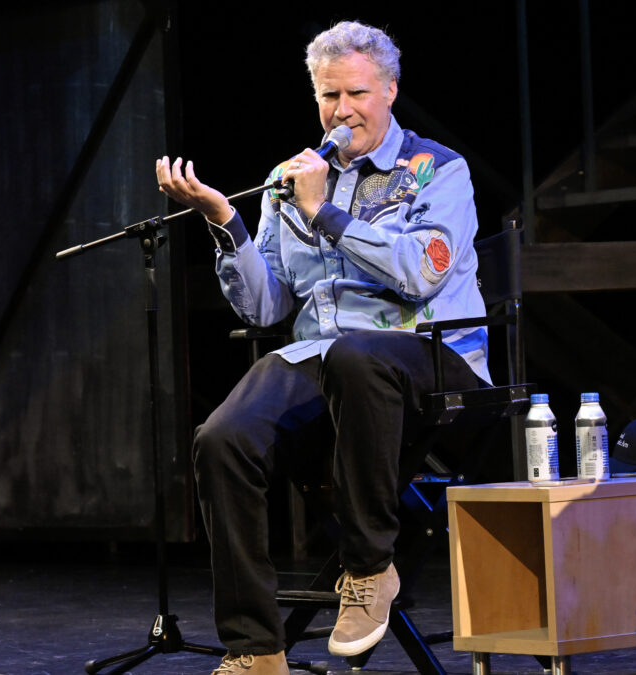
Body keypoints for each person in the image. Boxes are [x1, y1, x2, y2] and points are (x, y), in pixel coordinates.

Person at [155, 21, 488, 675]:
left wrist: (327, 216)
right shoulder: (289, 178)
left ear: (390, 90)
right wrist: (227, 226)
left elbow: (421, 272)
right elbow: (266, 307)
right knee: (222, 439)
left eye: (357, 93)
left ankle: (370, 568)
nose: (342, 111)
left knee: (357, 354)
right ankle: (256, 648)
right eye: (329, 96)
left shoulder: (437, 170)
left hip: (427, 355)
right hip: (325, 361)